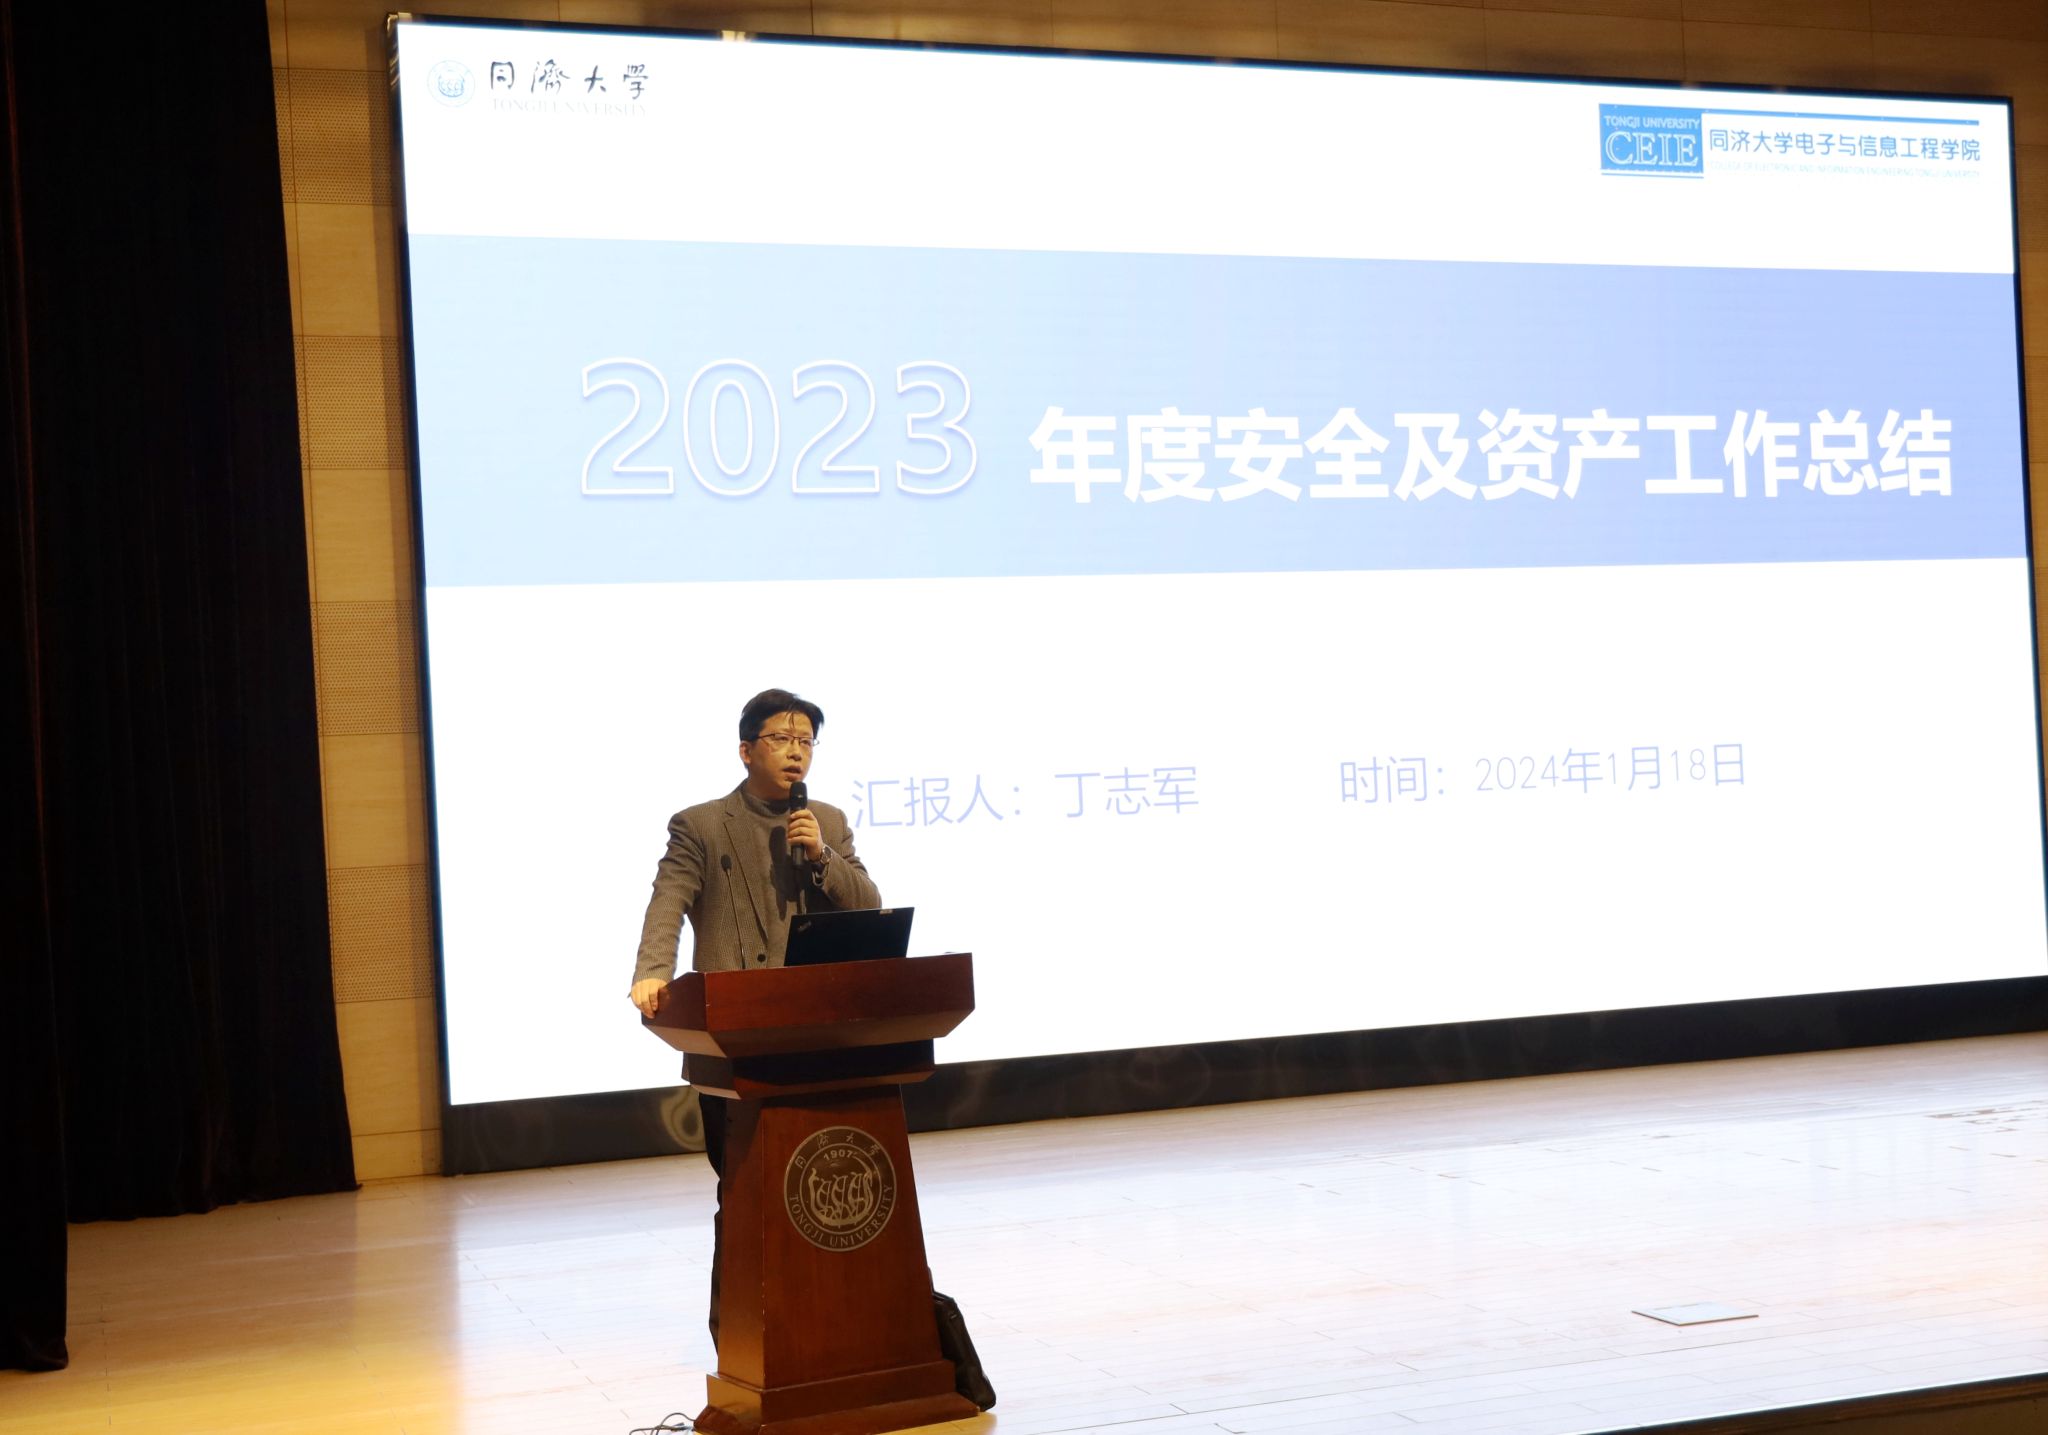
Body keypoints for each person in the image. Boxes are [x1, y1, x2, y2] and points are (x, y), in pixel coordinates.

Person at [627, 688, 878, 1344]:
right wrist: (653, 969)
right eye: (781, 738)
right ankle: (743, 1338)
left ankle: (828, 1330)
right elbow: (668, 899)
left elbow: (869, 904)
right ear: (746, 750)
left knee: (826, 1184)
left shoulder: (826, 821)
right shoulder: (701, 825)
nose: (796, 751)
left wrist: (821, 857)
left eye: (806, 741)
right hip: (734, 1040)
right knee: (744, 1192)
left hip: (820, 1036)